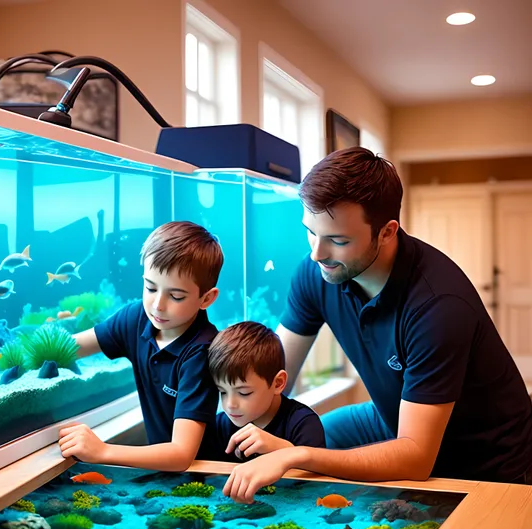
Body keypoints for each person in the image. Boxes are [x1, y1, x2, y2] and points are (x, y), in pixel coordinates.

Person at [223, 146, 532, 503]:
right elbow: (273, 378)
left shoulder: (437, 307)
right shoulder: (316, 272)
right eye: (311, 232)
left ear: (386, 232)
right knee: (309, 438)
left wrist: (295, 453)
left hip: (488, 461)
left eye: (338, 241)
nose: (316, 253)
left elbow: (416, 458)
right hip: (392, 416)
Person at [58, 221, 223, 471]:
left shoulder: (201, 353)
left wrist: (102, 451)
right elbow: (71, 347)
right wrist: (27, 354)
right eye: (150, 287)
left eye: (176, 296)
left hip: (206, 472)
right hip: (161, 469)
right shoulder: (137, 318)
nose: (158, 305)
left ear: (206, 298)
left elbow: (181, 454)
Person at [203, 321, 325, 463]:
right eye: (222, 392)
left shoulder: (304, 425)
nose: (230, 404)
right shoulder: (221, 427)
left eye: (244, 393)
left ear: (278, 383)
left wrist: (283, 450)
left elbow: (318, 481)